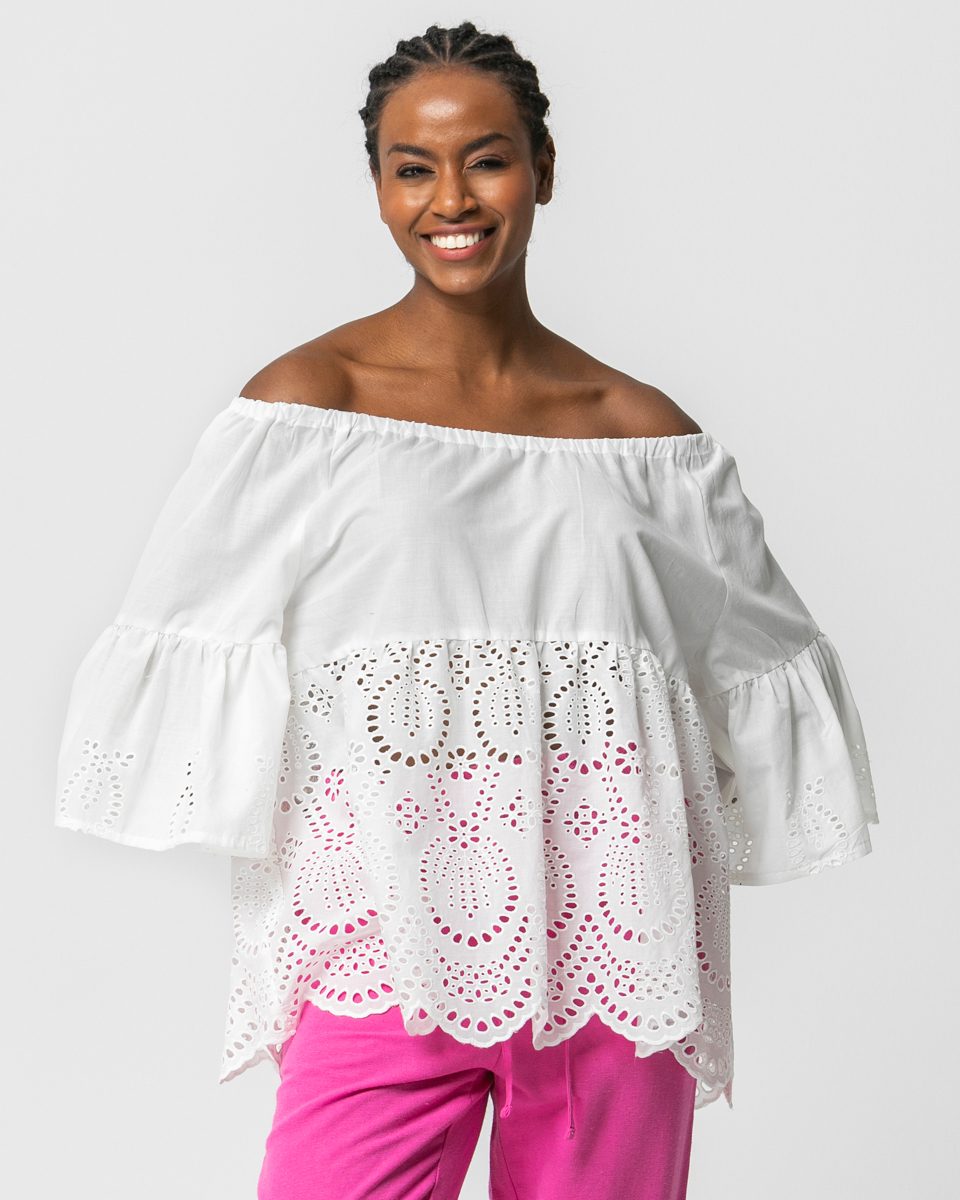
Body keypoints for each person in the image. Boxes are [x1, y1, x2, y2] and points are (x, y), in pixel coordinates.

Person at [53, 20, 879, 1200]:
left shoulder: (645, 438)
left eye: (486, 160)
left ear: (544, 168)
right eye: (413, 167)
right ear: (379, 187)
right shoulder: (310, 412)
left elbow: (755, 662)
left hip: (618, 944)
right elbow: (192, 630)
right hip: (383, 938)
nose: (451, 199)